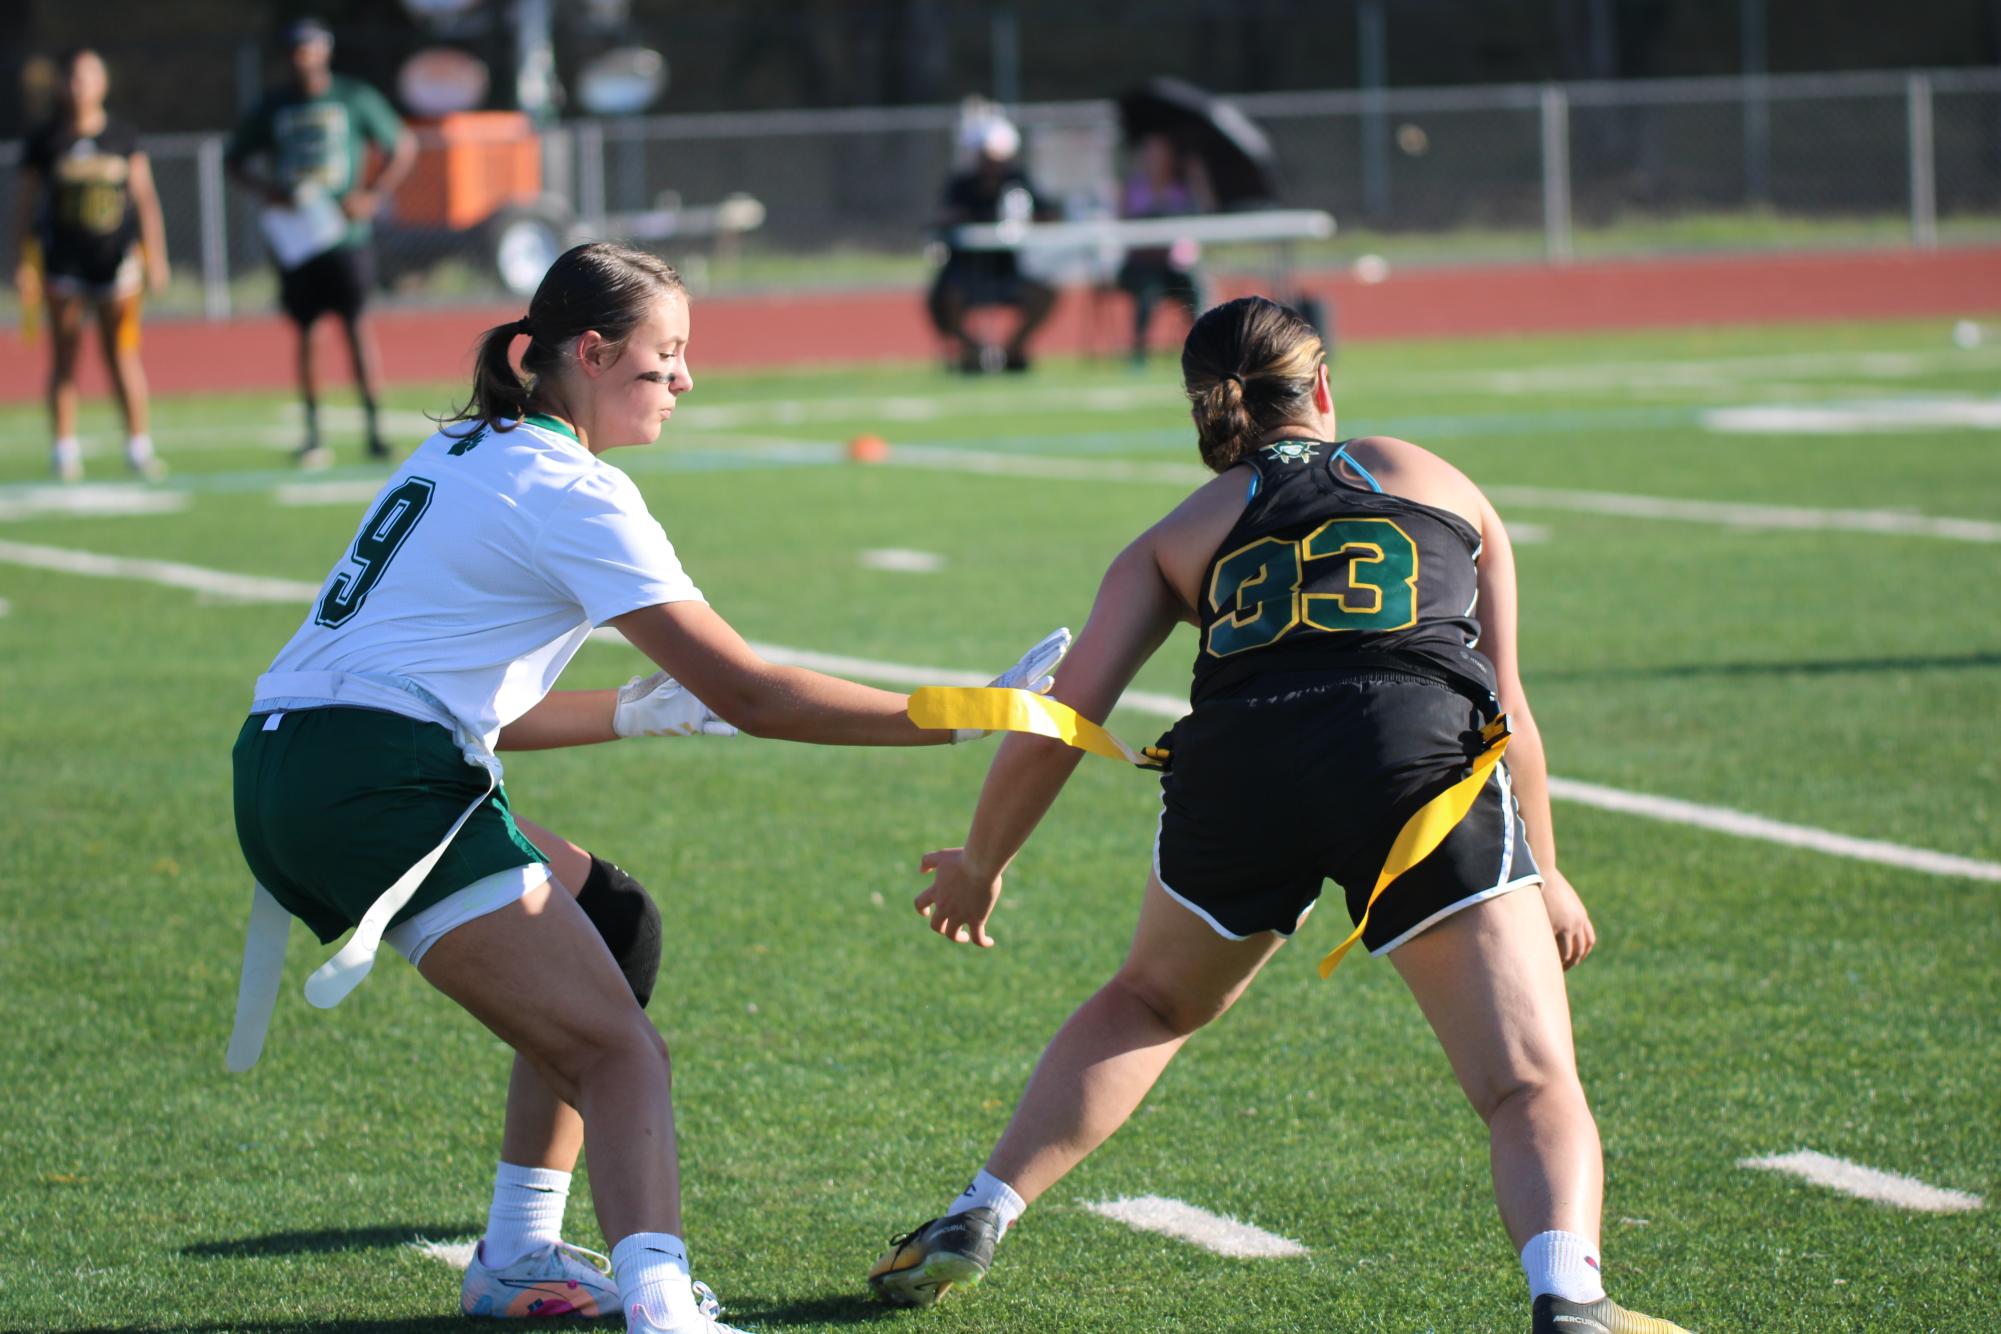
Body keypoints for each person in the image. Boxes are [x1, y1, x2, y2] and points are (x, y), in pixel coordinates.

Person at [229, 242, 1064, 1334]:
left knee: (610, 920)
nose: (684, 380)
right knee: (623, 1055)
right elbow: (758, 691)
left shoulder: (467, 447)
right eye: (665, 355)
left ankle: (521, 1251)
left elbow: (474, 708)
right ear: (591, 350)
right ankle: (663, 1309)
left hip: (287, 764)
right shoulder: (572, 487)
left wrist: (635, 707)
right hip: (375, 780)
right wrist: (961, 712)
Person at [866, 296, 1693, 1334]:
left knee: (1153, 1004)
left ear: (1207, 411)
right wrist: (1548, 865)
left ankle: (978, 1210)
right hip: (1414, 768)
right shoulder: (1434, 478)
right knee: (1528, 1083)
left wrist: (984, 860)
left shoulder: (1176, 533)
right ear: (1324, 387)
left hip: (1240, 768)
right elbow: (1507, 702)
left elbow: (1062, 714)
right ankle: (1569, 1296)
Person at [225, 17, 415, 468]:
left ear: (325, 51)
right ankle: (313, 433)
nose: (302, 57)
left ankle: (376, 428)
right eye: (295, 49)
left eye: (310, 48)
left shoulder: (352, 97)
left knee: (356, 327)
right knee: (307, 331)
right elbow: (234, 159)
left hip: (344, 234)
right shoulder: (274, 105)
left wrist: (372, 194)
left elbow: (401, 145)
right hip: (300, 237)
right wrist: (265, 190)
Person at [13, 47, 169, 483]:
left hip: (116, 265)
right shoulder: (47, 140)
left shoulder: (121, 135)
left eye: (89, 77)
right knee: (64, 356)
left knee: (121, 353)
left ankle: (139, 445)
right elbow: (26, 206)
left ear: (103, 83)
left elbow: (145, 200)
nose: (80, 86)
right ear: (63, 85)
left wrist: (155, 255)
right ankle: (64, 450)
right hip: (63, 264)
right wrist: (23, 261)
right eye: (73, 77)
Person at [926, 116, 1056, 374]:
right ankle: (974, 351)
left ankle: (1013, 350)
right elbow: (943, 217)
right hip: (967, 269)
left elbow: (1047, 213)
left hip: (1006, 268)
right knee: (945, 297)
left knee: (1046, 293)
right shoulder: (962, 184)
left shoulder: (1018, 181)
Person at [1112, 131, 1210, 365]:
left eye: (1161, 154)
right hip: (1142, 263)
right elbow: (1123, 227)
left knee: (1195, 287)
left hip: (1175, 263)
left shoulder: (1183, 186)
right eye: (1150, 154)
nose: (1155, 159)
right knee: (1147, 291)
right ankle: (1139, 351)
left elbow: (1205, 212)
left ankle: (1205, 347)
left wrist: (1197, 177)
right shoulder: (1133, 188)